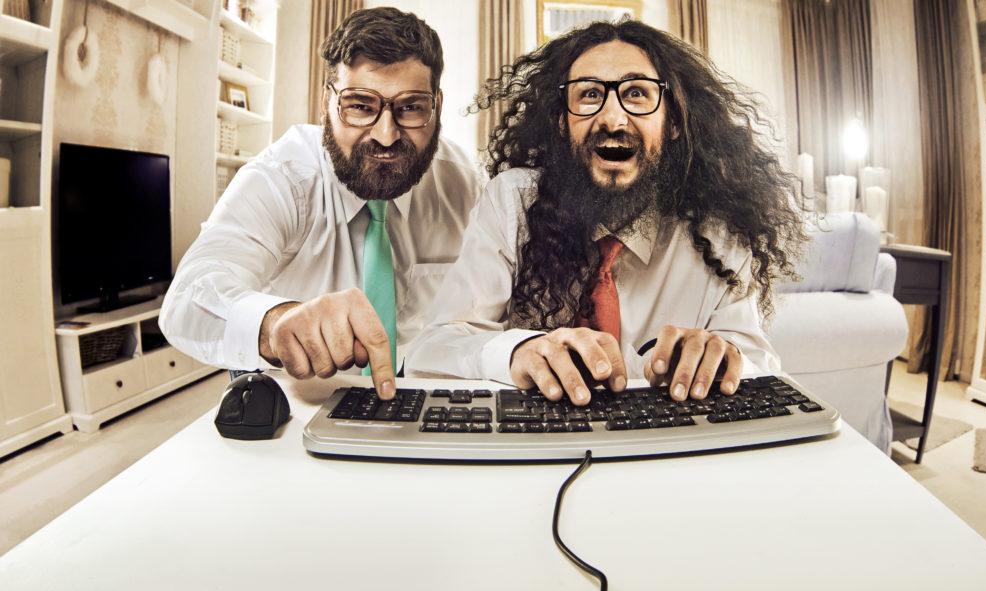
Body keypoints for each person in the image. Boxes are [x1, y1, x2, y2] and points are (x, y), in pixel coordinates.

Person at [405, 19, 806, 405]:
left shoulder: (720, 229)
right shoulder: (512, 202)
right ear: (562, 123)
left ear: (674, 123)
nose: (612, 118)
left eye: (636, 93)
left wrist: (723, 359)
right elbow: (432, 352)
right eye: (590, 95)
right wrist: (517, 352)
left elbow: (759, 367)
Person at [159, 7, 484, 400]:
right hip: (300, 410)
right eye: (360, 105)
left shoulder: (465, 184)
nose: (385, 135)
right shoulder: (283, 176)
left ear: (437, 106)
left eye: (411, 107)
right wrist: (275, 322)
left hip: (424, 402)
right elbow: (187, 298)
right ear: (325, 101)